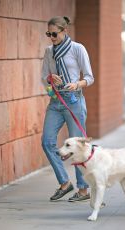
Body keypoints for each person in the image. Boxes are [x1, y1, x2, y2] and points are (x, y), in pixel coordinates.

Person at [41, 16, 94, 202]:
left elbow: (89, 77)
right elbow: (43, 77)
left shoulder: (77, 49)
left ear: (65, 31)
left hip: (74, 101)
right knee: (47, 141)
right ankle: (65, 183)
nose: (51, 37)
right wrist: (50, 78)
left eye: (54, 34)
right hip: (56, 102)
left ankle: (83, 190)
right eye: (49, 34)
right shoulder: (49, 52)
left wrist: (76, 84)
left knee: (79, 147)